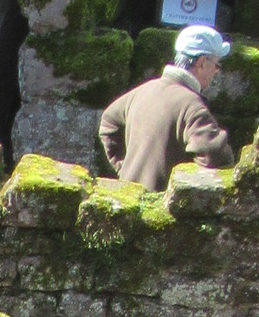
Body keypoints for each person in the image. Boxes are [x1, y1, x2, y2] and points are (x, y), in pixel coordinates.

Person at [98, 24, 237, 193]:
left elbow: (108, 121)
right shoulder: (191, 106)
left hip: (127, 197)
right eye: (216, 64)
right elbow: (215, 155)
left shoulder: (143, 90)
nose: (216, 71)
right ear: (201, 63)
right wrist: (183, 188)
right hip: (162, 204)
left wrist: (125, 168)